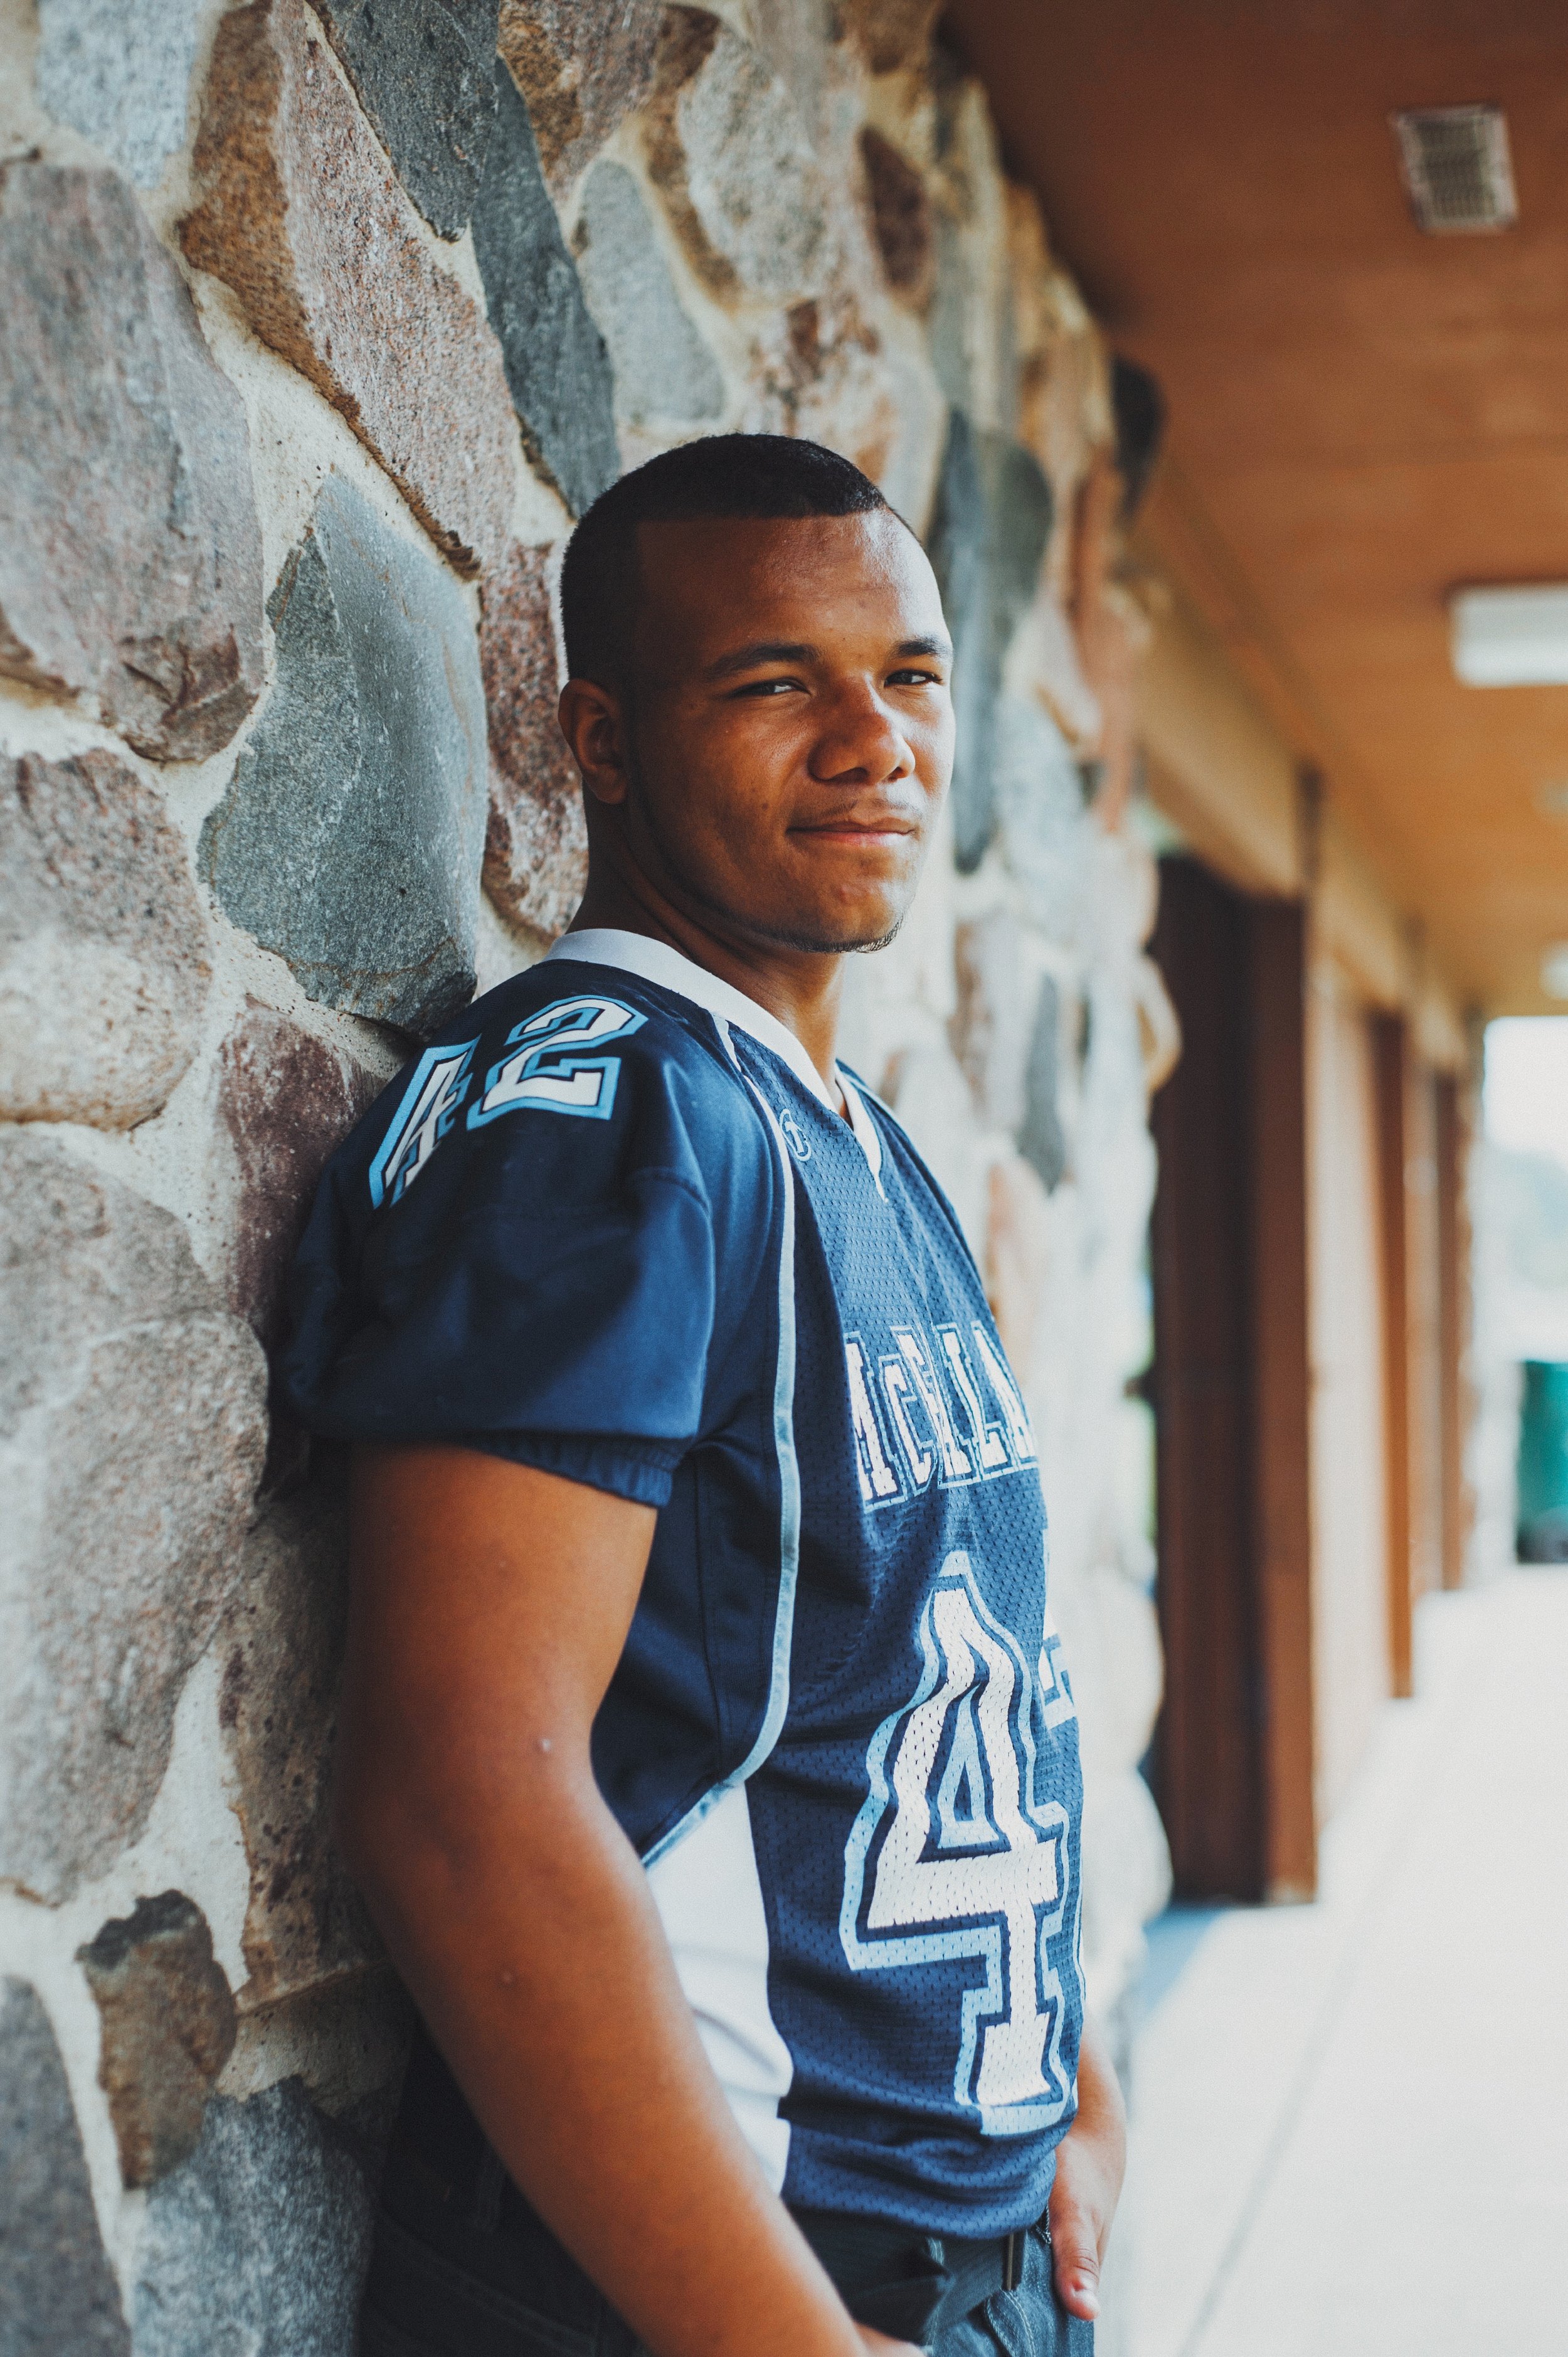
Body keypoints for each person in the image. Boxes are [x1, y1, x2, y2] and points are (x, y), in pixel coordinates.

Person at [282, 434, 1125, 2357]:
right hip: (730, 2284)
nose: (871, 743)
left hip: (952, 2263)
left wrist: (1050, 2085)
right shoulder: (617, 1121)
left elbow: (931, 1656)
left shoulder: (831, 1126)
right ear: (596, 741)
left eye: (906, 678)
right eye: (771, 685)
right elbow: (457, 1796)